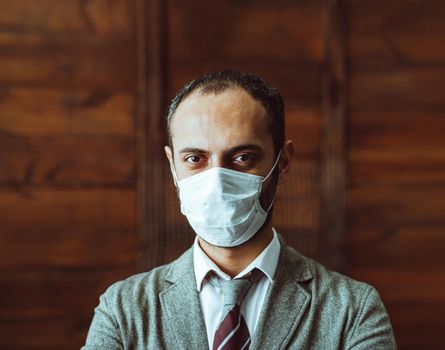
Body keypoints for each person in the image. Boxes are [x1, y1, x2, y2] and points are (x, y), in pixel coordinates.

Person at [82, 70, 396, 349]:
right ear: (172, 165)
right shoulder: (123, 310)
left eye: (243, 157)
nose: (216, 180)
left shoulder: (352, 311)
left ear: (282, 162)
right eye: (195, 159)